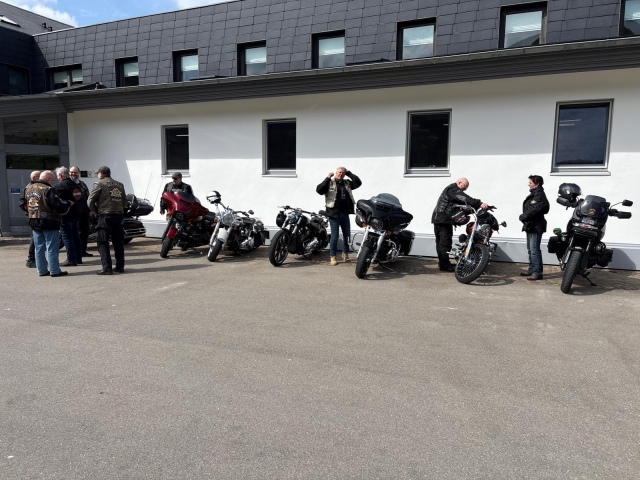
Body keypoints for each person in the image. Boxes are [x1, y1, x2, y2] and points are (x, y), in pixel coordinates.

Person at [431, 178, 488, 272]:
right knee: (444, 243)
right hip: (443, 219)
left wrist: (472, 208)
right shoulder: (453, 189)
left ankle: (442, 263)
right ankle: (445, 266)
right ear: (459, 182)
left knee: (441, 243)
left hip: (440, 218)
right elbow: (464, 198)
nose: (465, 189)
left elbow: (461, 204)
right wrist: (479, 203)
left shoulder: (452, 192)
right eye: (464, 186)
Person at [24, 170, 73, 277]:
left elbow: (23, 204)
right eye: (52, 180)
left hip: (34, 220)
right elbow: (57, 204)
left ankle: (41, 270)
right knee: (51, 247)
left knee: (39, 247)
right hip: (49, 221)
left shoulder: (28, 188)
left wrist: (31, 212)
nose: (53, 182)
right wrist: (68, 203)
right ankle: (54, 270)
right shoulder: (48, 189)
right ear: (47, 179)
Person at [316, 166, 362, 265]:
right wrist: (328, 178)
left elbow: (358, 183)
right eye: (339, 172)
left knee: (347, 235)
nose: (341, 174)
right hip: (333, 214)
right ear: (336, 173)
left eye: (343, 173)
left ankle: (345, 253)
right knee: (335, 236)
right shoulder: (330, 182)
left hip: (345, 214)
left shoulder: (347, 183)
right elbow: (319, 190)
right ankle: (332, 256)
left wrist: (349, 173)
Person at [88, 166, 127, 275]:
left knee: (102, 241)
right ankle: (120, 267)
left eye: (98, 173)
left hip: (105, 216)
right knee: (118, 242)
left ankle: (107, 268)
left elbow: (90, 201)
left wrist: (96, 211)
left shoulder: (99, 184)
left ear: (101, 174)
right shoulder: (120, 184)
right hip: (118, 216)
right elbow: (124, 202)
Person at [519, 175, 550, 281]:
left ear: (537, 184)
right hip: (531, 225)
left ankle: (537, 273)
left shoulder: (539, 195)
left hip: (536, 226)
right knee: (530, 249)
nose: (528, 184)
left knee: (534, 250)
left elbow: (534, 209)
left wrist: (523, 216)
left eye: (531, 182)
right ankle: (532, 269)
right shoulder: (535, 193)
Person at [55, 166, 83, 266]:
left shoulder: (59, 186)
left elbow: (57, 202)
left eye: (57, 176)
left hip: (65, 215)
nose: (57, 178)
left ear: (60, 175)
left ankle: (71, 259)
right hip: (76, 214)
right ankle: (78, 258)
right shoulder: (76, 185)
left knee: (67, 237)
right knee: (76, 236)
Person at [69, 166, 94, 257]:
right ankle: (76, 253)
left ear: (78, 173)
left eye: (75, 172)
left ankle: (83, 251)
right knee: (74, 233)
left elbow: (88, 196)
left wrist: (90, 210)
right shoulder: (68, 184)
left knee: (84, 232)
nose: (73, 174)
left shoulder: (82, 184)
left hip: (84, 213)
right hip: (74, 213)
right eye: (72, 172)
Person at [19, 170, 41, 268]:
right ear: (35, 178)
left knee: (37, 237)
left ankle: (36, 259)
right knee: (35, 237)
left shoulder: (35, 187)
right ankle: (31, 259)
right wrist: (33, 212)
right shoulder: (30, 188)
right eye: (39, 176)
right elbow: (24, 204)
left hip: (35, 215)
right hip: (34, 216)